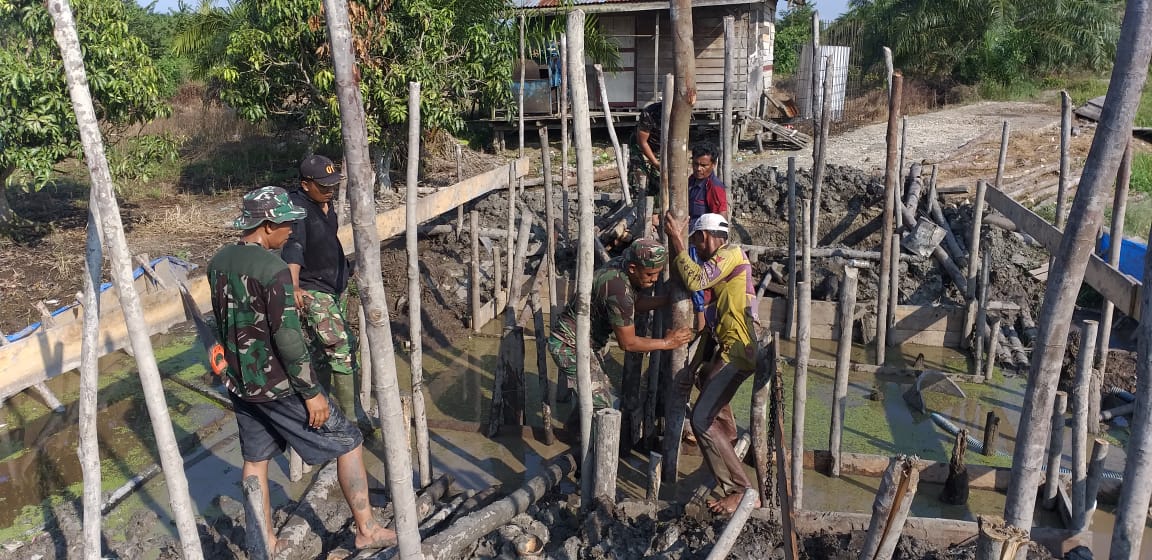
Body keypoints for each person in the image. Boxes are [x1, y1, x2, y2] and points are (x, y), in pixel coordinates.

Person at [208, 186, 395, 552]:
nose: (292, 231)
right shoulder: (273, 270)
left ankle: (264, 539)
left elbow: (223, 321)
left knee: (255, 460)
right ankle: (367, 529)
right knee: (349, 441)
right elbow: (289, 340)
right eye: (286, 224)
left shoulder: (219, 263)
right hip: (279, 384)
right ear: (265, 225)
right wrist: (311, 393)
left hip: (242, 383)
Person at [664, 211, 762, 515]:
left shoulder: (732, 254)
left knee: (701, 419)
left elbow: (694, 279)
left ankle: (743, 490)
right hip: (729, 350)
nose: (698, 249)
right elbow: (709, 329)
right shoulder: (723, 278)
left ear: (705, 236)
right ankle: (727, 448)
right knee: (706, 387)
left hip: (738, 352)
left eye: (697, 242)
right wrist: (692, 369)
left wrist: (677, 242)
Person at [547, 238, 695, 436]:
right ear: (633, 268)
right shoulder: (617, 287)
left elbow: (636, 302)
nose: (654, 279)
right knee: (601, 404)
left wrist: (666, 300)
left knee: (595, 394)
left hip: (587, 342)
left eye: (658, 274)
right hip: (569, 343)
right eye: (650, 274)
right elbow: (628, 343)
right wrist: (668, 342)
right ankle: (591, 455)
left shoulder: (623, 266)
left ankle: (573, 436)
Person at [282, 155, 371, 431]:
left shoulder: (324, 203)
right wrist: (294, 285)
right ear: (306, 185)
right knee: (341, 347)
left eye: (333, 184)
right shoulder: (298, 209)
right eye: (324, 186)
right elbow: (293, 247)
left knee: (322, 351)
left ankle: (324, 411)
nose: (330, 190)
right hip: (313, 289)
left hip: (334, 286)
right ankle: (353, 420)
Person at [687, 143, 730, 330]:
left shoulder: (714, 186)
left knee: (699, 286)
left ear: (713, 164)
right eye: (696, 164)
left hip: (702, 243)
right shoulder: (691, 181)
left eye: (703, 165)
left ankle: (701, 329)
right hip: (688, 237)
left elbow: (720, 219)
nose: (698, 168)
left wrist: (712, 250)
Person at [629, 101, 663, 198]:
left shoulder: (680, 112)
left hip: (661, 147)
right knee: (640, 177)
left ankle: (654, 207)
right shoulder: (650, 112)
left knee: (658, 180)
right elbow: (642, 142)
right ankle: (637, 201)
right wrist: (655, 163)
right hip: (642, 145)